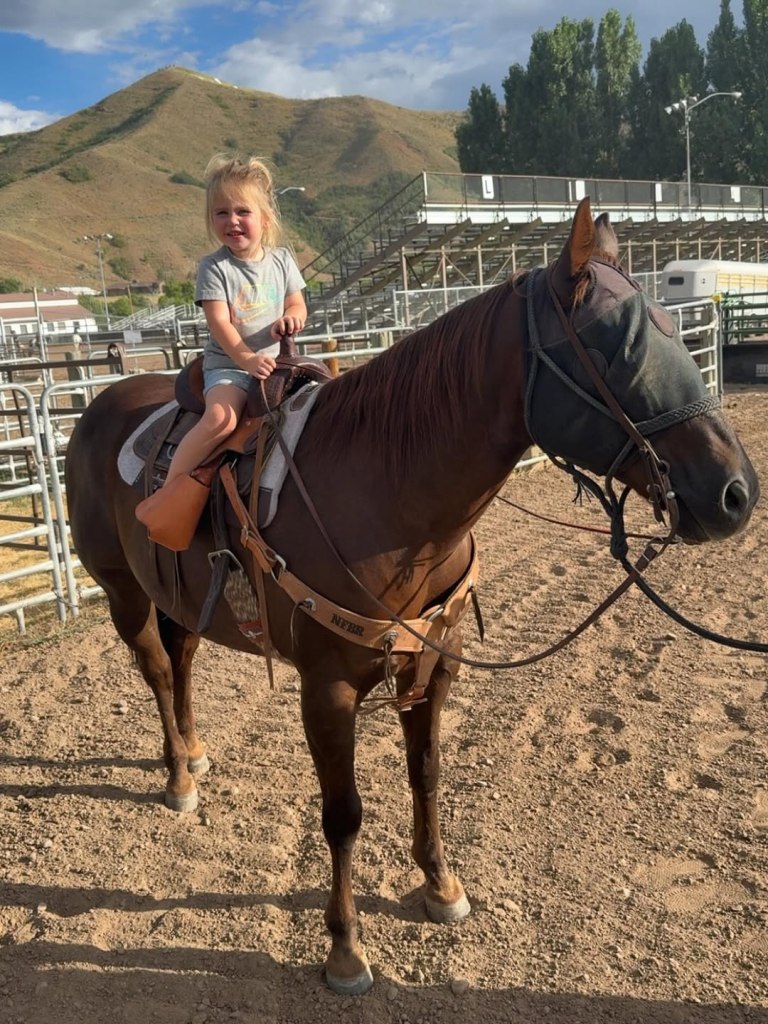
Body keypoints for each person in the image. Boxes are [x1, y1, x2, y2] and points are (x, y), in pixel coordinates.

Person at [164, 154, 307, 484]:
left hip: (281, 364)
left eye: (243, 211)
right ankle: (169, 489)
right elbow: (220, 323)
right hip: (230, 366)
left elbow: (297, 304)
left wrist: (292, 319)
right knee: (222, 419)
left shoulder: (282, 260)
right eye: (222, 213)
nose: (233, 221)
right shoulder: (214, 268)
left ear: (265, 219)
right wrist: (247, 360)